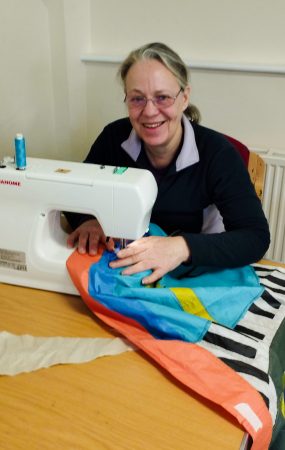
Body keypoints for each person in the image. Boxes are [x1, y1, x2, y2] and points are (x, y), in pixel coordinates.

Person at [66, 42, 270, 285]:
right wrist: (87, 221)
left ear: (184, 98)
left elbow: (254, 237)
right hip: (128, 271)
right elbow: (72, 193)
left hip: (194, 273)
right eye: (137, 99)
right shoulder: (113, 138)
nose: (150, 111)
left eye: (162, 98)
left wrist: (181, 247)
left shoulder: (218, 154)